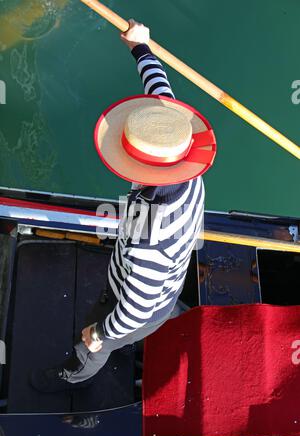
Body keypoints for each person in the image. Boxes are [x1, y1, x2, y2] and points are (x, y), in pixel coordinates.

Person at [31, 19, 210, 392]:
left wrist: (100, 331)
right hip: (163, 283)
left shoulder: (148, 240)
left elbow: (135, 309)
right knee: (150, 308)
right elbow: (164, 102)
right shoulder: (182, 156)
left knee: (94, 346)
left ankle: (75, 374)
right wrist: (140, 48)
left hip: (135, 306)